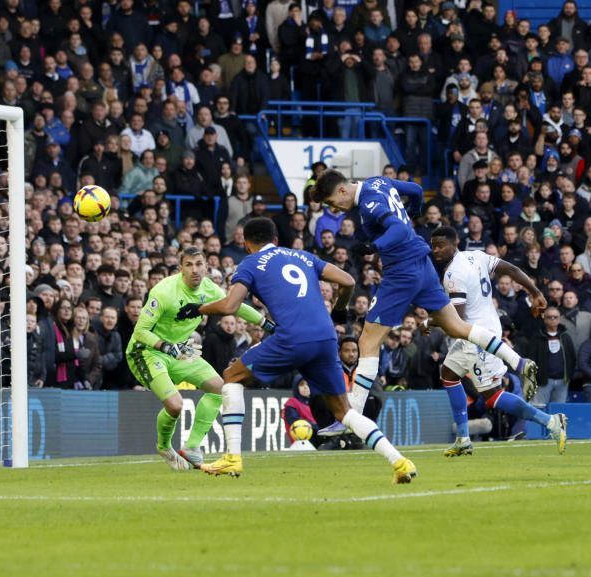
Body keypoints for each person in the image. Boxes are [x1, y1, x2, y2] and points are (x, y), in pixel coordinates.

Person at [176, 218, 417, 483]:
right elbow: (348, 280)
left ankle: (232, 458)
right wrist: (338, 310)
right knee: (344, 412)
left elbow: (230, 306)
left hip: (291, 338)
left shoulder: (250, 263)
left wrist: (197, 309)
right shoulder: (303, 256)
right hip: (325, 339)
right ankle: (399, 461)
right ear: (276, 240)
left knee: (232, 376)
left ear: (246, 244)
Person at [311, 170, 539, 434]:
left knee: (367, 342)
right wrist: (416, 211)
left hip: (401, 272)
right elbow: (416, 190)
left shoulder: (369, 202)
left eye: (330, 202)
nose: (334, 208)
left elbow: (396, 228)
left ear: (341, 190)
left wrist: (375, 247)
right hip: (423, 265)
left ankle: (351, 419)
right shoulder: (377, 181)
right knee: (456, 327)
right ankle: (519, 362)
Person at [124, 246, 274, 471]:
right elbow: (140, 332)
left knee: (219, 388)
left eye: (199, 264)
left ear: (206, 266)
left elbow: (236, 306)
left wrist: (267, 325)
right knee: (175, 406)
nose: (195, 270)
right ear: (180, 268)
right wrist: (166, 346)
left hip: (179, 350)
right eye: (189, 265)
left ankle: (192, 446)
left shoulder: (209, 288)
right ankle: (164, 446)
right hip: (146, 351)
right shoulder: (164, 291)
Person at [429, 227, 567, 456]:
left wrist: (429, 322)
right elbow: (511, 269)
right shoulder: (477, 256)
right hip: (483, 328)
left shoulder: (453, 274)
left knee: (492, 396)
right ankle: (463, 438)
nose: (436, 250)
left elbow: (456, 319)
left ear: (455, 244)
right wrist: (535, 292)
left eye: (440, 245)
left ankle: (551, 421)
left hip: (477, 337)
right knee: (449, 374)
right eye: (433, 245)